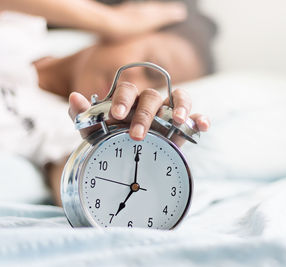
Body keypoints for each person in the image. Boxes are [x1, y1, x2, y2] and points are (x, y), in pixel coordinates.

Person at [0, 0, 213, 205]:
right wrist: (110, 20)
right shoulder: (19, 23)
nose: (135, 89)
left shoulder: (75, 134)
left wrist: (146, 153)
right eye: (150, 69)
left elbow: (89, 195)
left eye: (152, 93)